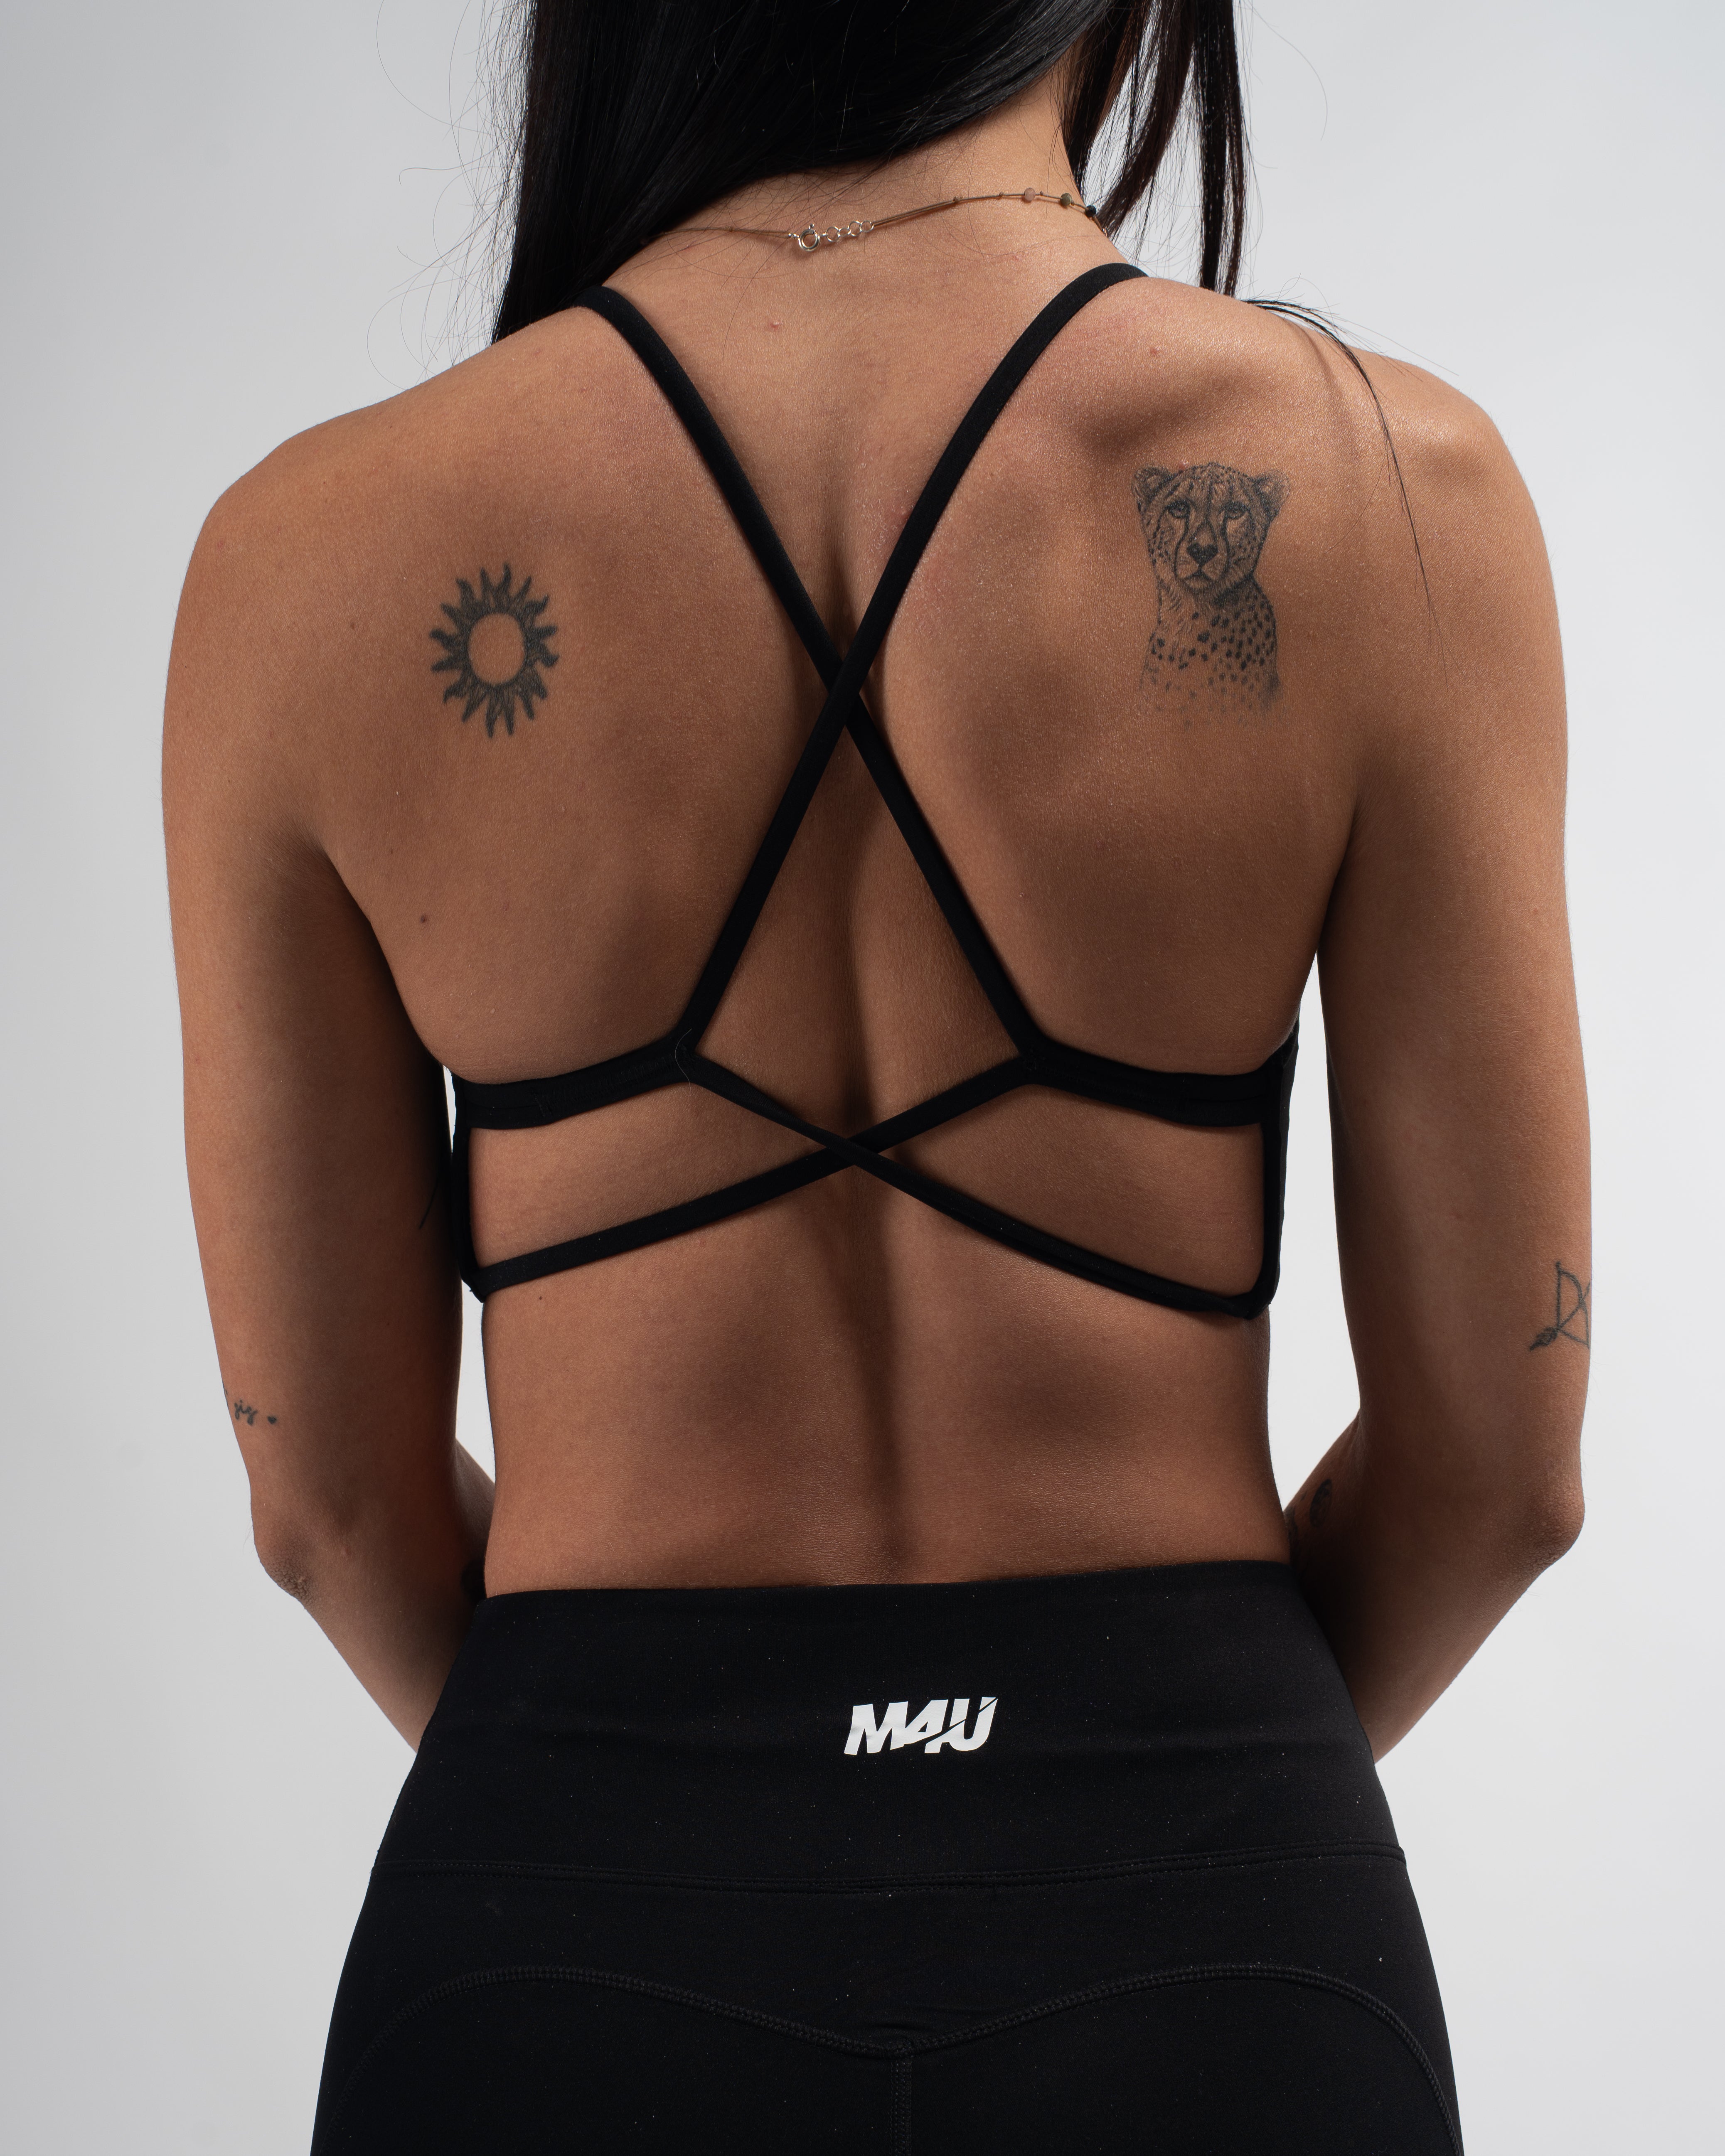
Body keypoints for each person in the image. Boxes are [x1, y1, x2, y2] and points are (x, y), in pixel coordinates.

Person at [164, 2, 1589, 2147]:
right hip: (1210, 1926)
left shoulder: (308, 560)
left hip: (559, 1930)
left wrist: (650, 1795)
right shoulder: (1392, 496)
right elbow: (1504, 1470)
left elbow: (331, 1501)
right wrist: (1172, 1784)